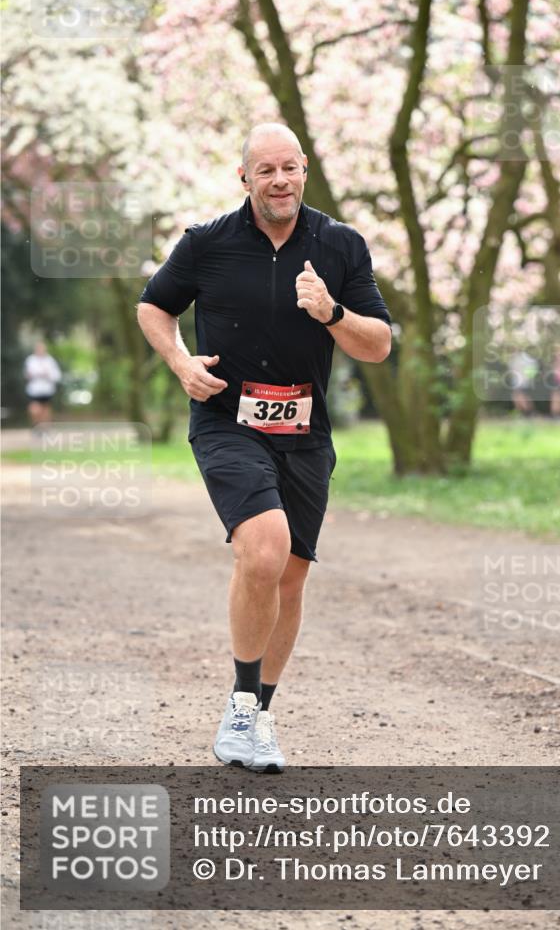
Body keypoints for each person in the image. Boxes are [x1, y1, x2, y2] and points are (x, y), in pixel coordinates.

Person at [136, 123, 391, 772]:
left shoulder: (339, 245)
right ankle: (241, 711)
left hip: (306, 431)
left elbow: (378, 344)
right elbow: (153, 308)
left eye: (290, 168)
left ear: (304, 170)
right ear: (243, 177)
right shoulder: (207, 244)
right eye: (265, 170)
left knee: (292, 575)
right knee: (263, 550)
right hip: (228, 420)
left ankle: (259, 713)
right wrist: (179, 362)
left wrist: (331, 313)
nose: (279, 180)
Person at [24, 341, 62, 427]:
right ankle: (36, 425)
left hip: (47, 390)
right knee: (34, 409)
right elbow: (27, 374)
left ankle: (44, 428)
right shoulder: (31, 360)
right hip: (34, 390)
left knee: (45, 410)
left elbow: (57, 375)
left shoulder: (50, 360)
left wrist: (48, 375)